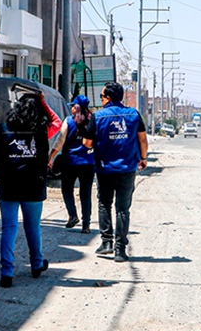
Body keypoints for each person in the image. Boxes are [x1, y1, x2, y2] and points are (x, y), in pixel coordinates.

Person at [0, 91, 61, 288]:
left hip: (7, 186)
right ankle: (36, 265)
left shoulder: (3, 129)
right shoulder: (43, 131)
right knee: (33, 227)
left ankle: (6, 272)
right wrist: (43, 103)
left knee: (9, 228)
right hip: (33, 186)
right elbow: (58, 122)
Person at [83, 82, 148, 263]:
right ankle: (120, 250)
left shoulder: (98, 116)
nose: (101, 99)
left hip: (105, 168)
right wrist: (143, 158)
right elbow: (142, 139)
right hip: (127, 168)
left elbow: (87, 143)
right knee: (123, 208)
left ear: (108, 98)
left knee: (105, 204)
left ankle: (107, 243)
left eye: (102, 96)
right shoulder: (133, 114)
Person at [49, 95, 95, 233]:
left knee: (67, 190)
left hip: (70, 162)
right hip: (88, 162)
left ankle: (73, 215)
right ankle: (86, 226)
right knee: (85, 194)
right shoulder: (93, 121)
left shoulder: (69, 121)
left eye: (73, 106)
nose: (72, 109)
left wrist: (50, 156)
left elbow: (59, 141)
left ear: (76, 107)